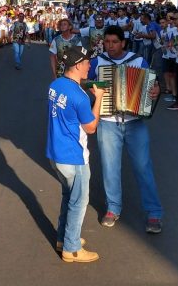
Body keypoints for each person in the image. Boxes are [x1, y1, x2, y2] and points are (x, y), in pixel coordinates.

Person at [88, 25, 163, 234]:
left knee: (143, 167)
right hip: (108, 121)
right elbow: (85, 85)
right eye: (107, 42)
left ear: (123, 43)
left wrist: (155, 90)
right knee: (110, 168)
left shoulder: (138, 61)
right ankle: (113, 208)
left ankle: (154, 212)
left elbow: (153, 85)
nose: (110, 46)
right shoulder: (98, 62)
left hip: (134, 122)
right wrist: (93, 92)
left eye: (114, 42)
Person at [47, 45, 102, 263]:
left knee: (68, 197)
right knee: (79, 201)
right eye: (88, 63)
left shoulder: (55, 84)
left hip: (54, 152)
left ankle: (64, 237)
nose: (90, 66)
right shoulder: (79, 96)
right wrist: (98, 98)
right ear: (78, 65)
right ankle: (71, 248)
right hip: (73, 156)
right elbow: (91, 128)